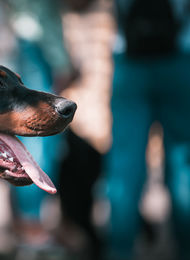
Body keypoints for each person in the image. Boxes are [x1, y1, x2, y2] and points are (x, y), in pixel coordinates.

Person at [104, 0, 190, 259]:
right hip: (181, 57)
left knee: (124, 165)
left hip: (129, 60)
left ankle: (120, 252)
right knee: (183, 164)